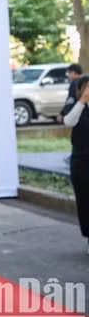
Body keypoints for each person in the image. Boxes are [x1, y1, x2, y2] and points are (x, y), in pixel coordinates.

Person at [62, 74, 89, 254]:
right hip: (82, 163)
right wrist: (82, 102)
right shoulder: (75, 107)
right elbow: (68, 122)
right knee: (85, 202)